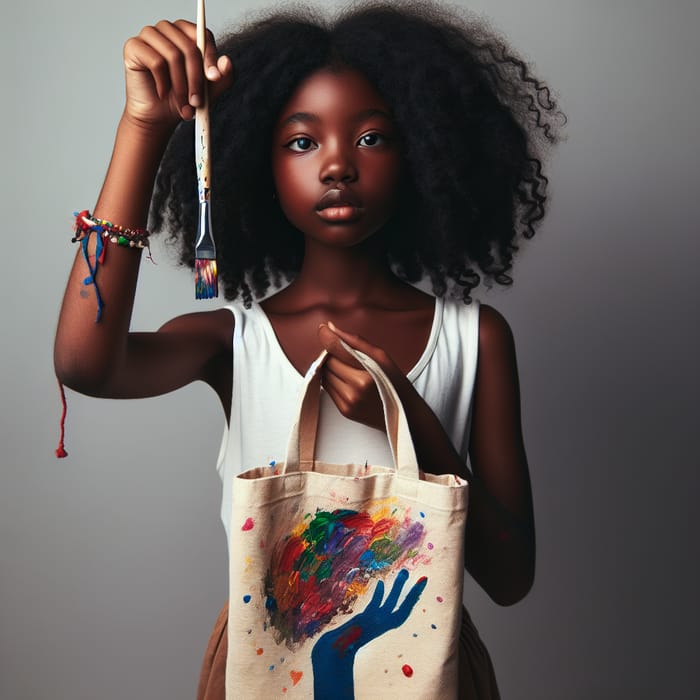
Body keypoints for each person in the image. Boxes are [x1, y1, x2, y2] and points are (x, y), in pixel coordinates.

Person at [54, 2, 563, 697]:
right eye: (301, 142)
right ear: (255, 164)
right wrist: (144, 127)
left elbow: (510, 579)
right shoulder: (234, 340)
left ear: (424, 151)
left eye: (373, 138)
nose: (336, 166)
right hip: (264, 664)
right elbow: (85, 364)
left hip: (423, 664)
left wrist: (409, 417)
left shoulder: (475, 337)